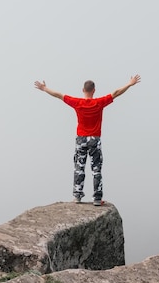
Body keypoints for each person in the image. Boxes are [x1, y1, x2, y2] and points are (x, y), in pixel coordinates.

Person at [34, 75, 141, 205]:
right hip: (94, 139)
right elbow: (116, 93)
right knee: (96, 168)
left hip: (81, 138)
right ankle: (97, 199)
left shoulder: (77, 103)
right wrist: (130, 84)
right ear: (94, 90)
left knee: (79, 167)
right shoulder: (99, 103)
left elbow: (58, 95)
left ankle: (77, 196)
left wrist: (44, 88)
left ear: (83, 90)